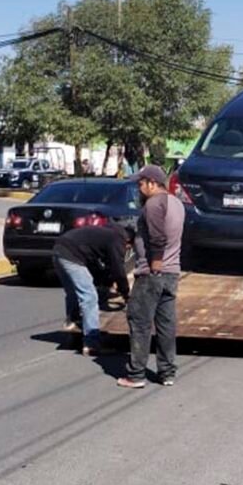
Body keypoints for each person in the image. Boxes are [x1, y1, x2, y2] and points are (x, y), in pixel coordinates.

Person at [117, 164, 185, 389]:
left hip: (152, 273)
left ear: (153, 183)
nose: (139, 188)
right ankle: (167, 372)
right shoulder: (177, 203)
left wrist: (155, 263)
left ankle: (136, 375)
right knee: (166, 324)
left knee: (139, 321)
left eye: (141, 183)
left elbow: (158, 237)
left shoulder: (154, 204)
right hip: (172, 272)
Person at [52, 223, 134, 356]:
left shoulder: (107, 233)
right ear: (128, 241)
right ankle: (92, 344)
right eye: (129, 247)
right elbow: (118, 270)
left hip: (58, 250)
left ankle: (73, 324)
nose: (127, 250)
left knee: (73, 293)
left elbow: (101, 265)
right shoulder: (117, 240)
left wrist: (106, 282)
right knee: (89, 297)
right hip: (72, 256)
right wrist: (125, 293)